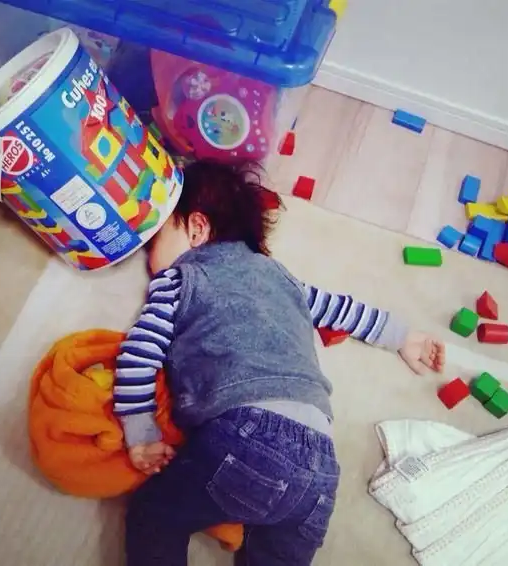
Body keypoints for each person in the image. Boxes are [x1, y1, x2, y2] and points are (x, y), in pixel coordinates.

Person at [113, 160, 445, 566]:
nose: (148, 250)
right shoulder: (282, 278)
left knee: (155, 515)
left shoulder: (181, 278)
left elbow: (139, 353)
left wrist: (141, 433)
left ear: (197, 229)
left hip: (249, 437)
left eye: (155, 238)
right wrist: (402, 336)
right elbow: (340, 308)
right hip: (322, 467)